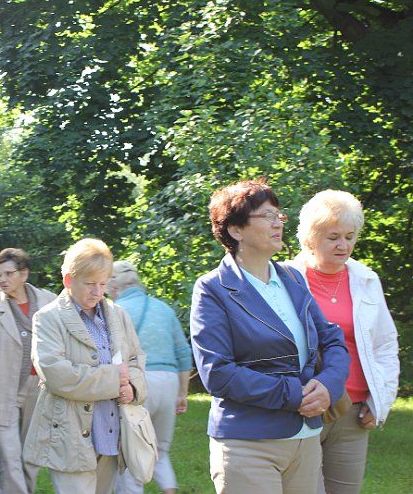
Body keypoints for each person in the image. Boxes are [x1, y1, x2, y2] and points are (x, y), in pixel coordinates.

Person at [190, 178, 350, 494]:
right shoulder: (212, 289)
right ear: (236, 230)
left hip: (306, 439)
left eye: (279, 215)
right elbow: (217, 373)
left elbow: (332, 339)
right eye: (267, 216)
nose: (278, 223)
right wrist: (294, 395)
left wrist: (328, 386)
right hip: (248, 442)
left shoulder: (292, 278)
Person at [286, 190, 399, 493]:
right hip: (303, 407)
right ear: (310, 238)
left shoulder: (366, 279)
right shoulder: (285, 278)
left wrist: (380, 402)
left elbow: (385, 344)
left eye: (349, 237)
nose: (343, 245)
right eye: (333, 237)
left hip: (353, 412)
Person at [23, 238, 146, 494]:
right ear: (68, 280)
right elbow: (56, 374)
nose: (98, 291)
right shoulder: (48, 318)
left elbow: (135, 359)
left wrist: (133, 388)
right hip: (69, 437)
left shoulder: (118, 314)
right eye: (90, 284)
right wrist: (114, 380)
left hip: (111, 432)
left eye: (103, 283)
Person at [0, 248, 56, 494]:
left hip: (40, 390)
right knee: (9, 459)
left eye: (8, 274)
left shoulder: (50, 302)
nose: (2, 280)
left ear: (24, 274)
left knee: (31, 459)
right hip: (3, 391)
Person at [108, 260, 191, 494]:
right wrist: (182, 393)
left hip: (138, 383)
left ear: (114, 287)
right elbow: (184, 353)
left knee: (130, 452)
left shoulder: (115, 311)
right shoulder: (164, 309)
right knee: (160, 450)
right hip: (169, 381)